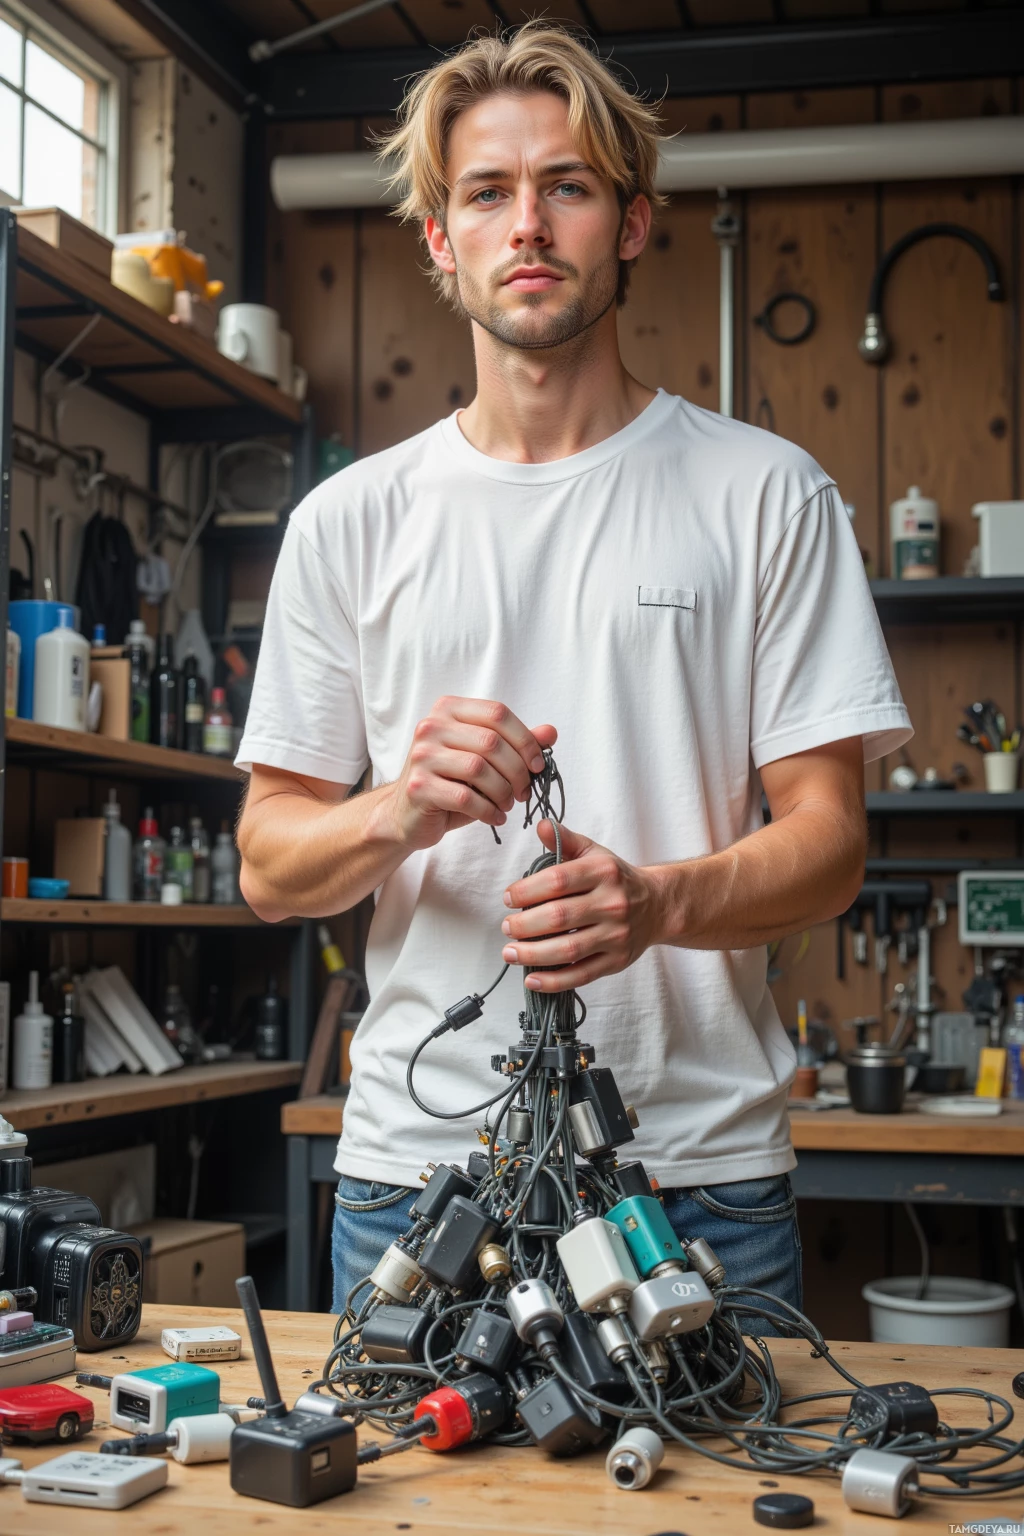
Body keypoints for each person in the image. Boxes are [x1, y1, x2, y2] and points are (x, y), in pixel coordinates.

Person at [236, 24, 911, 1321]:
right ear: (441, 240)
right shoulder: (350, 521)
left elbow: (829, 846)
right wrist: (397, 810)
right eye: (487, 193)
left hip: (694, 1179)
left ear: (635, 222)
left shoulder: (766, 495)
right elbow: (271, 865)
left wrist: (656, 903)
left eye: (570, 186)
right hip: (418, 1184)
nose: (527, 224)